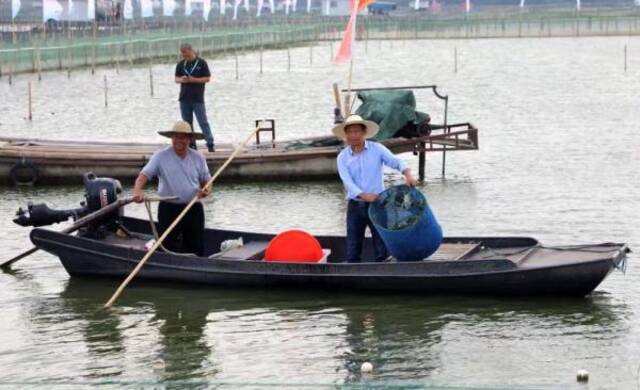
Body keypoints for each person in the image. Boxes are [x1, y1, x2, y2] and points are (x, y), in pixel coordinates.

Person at [334, 115, 417, 263]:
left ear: (364, 133)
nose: (354, 135)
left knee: (381, 247)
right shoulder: (342, 157)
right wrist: (364, 195)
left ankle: (382, 270)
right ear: (346, 135)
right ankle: (354, 272)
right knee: (353, 247)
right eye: (350, 132)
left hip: (378, 204)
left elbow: (395, 161)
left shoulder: (377, 149)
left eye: (357, 131)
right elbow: (347, 182)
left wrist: (408, 174)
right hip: (355, 205)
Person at [132, 121, 212, 256]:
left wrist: (206, 190)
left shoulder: (198, 157)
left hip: (192, 207)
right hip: (168, 208)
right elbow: (143, 175)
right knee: (167, 246)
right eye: (176, 137)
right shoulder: (160, 156)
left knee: (196, 246)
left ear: (190, 139)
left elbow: (207, 180)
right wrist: (137, 191)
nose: (179, 141)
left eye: (183, 137)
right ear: (172, 138)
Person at [175, 43, 215, 152]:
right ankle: (191, 144)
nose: (185, 57)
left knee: (203, 121)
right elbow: (176, 79)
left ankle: (210, 143)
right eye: (183, 55)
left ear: (191, 50)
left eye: (186, 54)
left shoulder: (201, 63)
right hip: (184, 98)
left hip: (197, 99)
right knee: (187, 124)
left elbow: (207, 78)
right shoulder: (181, 64)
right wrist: (182, 79)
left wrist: (194, 80)